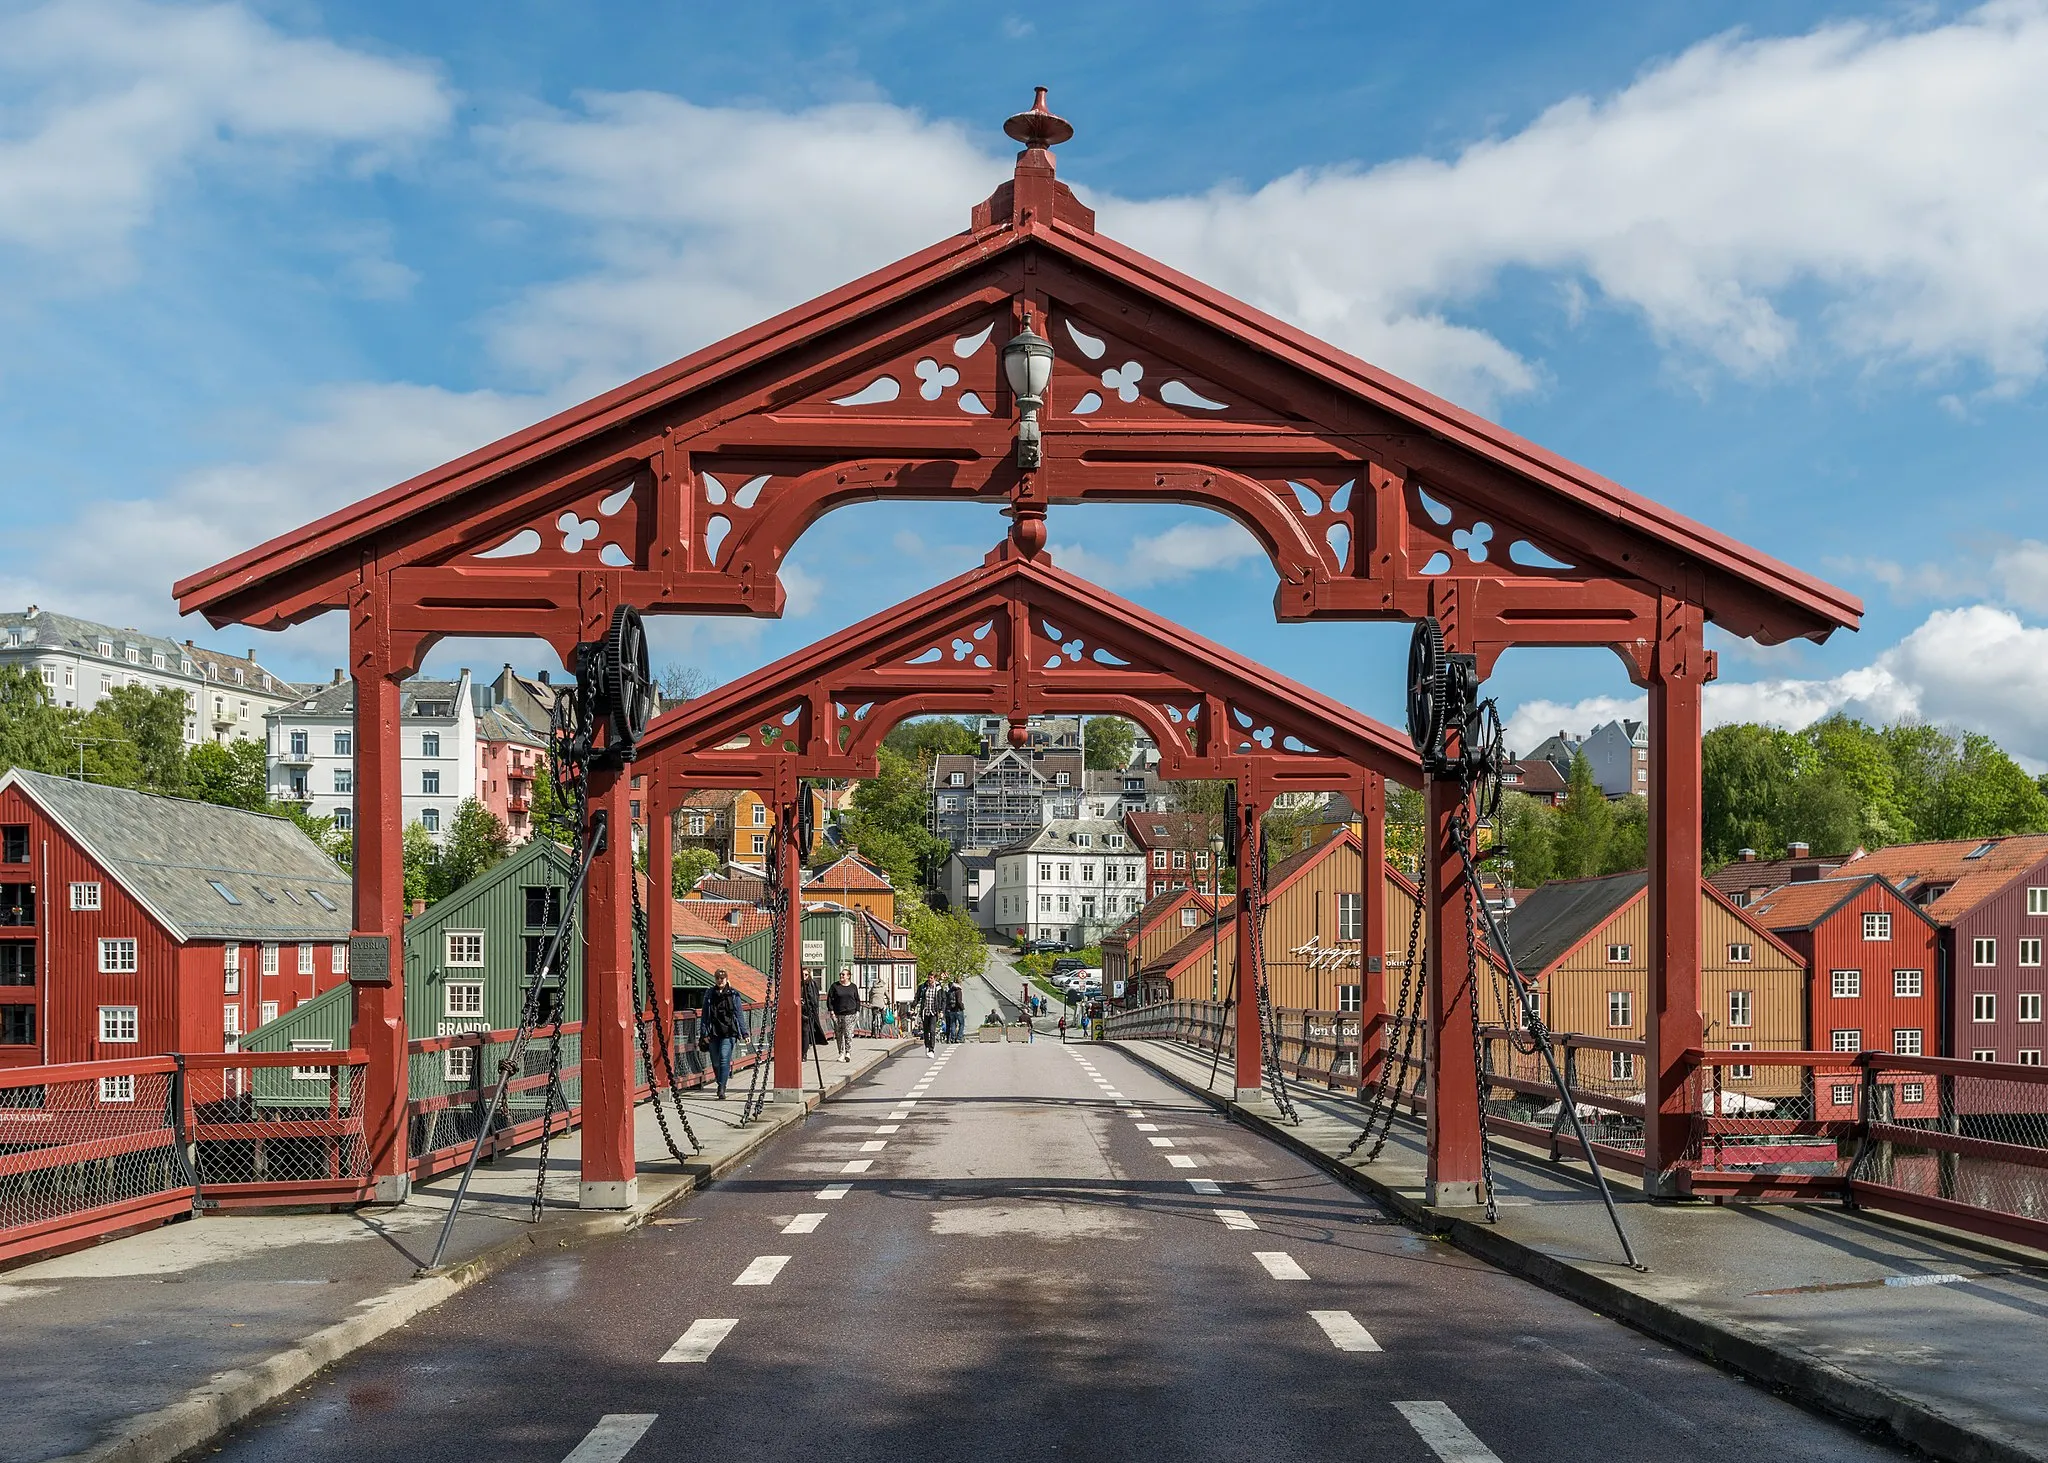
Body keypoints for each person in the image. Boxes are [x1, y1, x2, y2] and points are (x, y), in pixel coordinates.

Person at [701, 969, 748, 1100]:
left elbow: (739, 1015)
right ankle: (720, 1081)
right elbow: (705, 1015)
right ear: (715, 979)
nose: (720, 980)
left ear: (727, 979)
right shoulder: (710, 994)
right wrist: (703, 1033)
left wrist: (744, 1033)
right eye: (718, 978)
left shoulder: (733, 994)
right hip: (714, 1032)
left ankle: (722, 1087)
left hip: (729, 1031)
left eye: (722, 978)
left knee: (724, 1057)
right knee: (715, 1061)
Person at [828, 969, 862, 1063]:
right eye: (840, 974)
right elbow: (830, 999)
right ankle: (841, 1053)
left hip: (850, 1013)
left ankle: (848, 1052)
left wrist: (857, 1011)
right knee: (839, 1034)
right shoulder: (835, 986)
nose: (841, 976)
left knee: (848, 1033)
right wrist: (831, 1011)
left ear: (848, 976)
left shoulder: (853, 987)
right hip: (838, 1013)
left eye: (843, 974)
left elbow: (857, 999)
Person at [913, 972, 946, 1055]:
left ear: (934, 978)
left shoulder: (938, 988)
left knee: (932, 1030)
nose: (929, 979)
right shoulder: (923, 987)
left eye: (931, 978)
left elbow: (943, 999)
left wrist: (941, 1010)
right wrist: (913, 1007)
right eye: (929, 978)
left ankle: (931, 1049)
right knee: (926, 1031)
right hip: (925, 1012)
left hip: (934, 1012)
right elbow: (917, 998)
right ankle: (927, 1046)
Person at [944, 978, 966, 1044]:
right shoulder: (958, 991)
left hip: (951, 1010)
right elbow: (959, 1001)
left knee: (953, 1024)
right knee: (961, 1024)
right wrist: (962, 1007)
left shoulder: (950, 990)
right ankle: (959, 1038)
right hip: (958, 1010)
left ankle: (952, 1038)